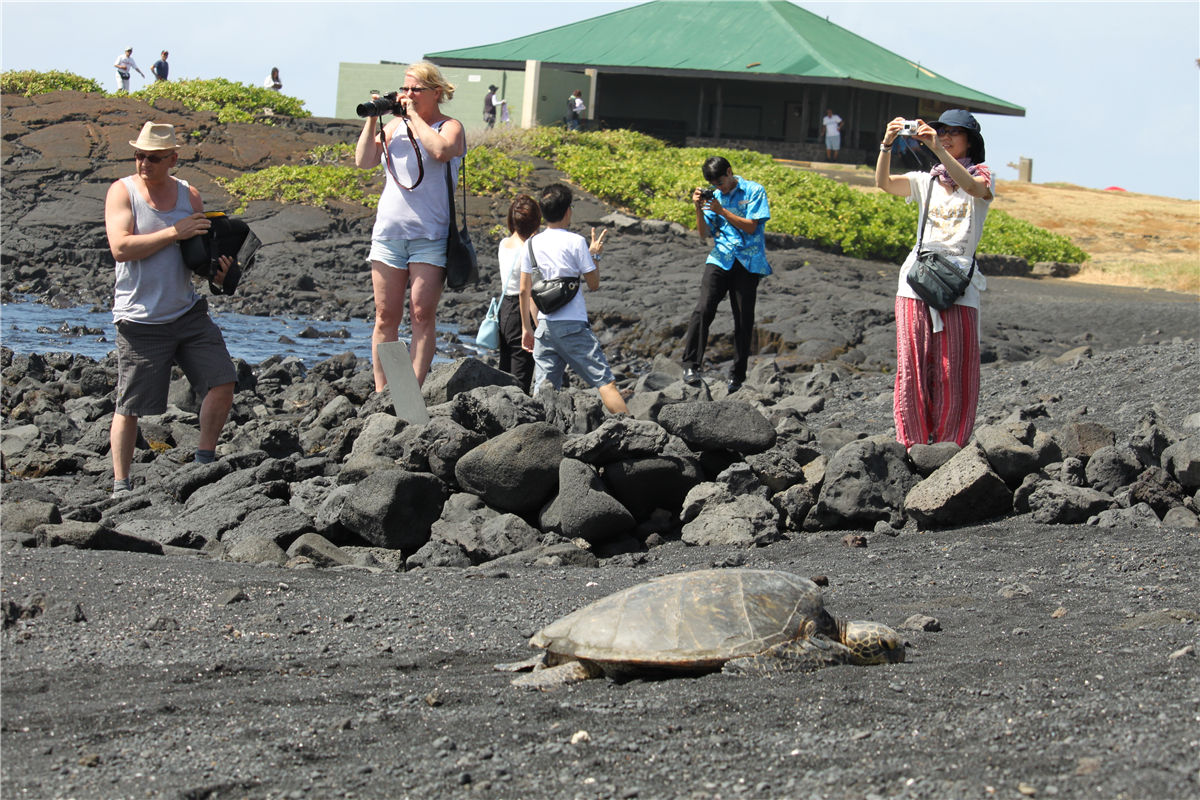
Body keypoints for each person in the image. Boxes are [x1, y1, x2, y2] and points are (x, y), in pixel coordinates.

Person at [103, 122, 237, 496]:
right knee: (130, 405)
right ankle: (121, 484)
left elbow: (197, 255)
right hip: (140, 319)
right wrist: (172, 233)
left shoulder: (188, 195)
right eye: (140, 156)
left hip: (187, 312)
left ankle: (203, 462)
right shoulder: (122, 192)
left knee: (223, 380)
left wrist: (220, 274)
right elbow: (121, 248)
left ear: (173, 159)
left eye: (155, 158)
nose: (145, 163)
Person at [875, 109, 994, 449]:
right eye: (942, 131)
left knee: (953, 368)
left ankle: (949, 444)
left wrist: (937, 150)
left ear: (970, 140)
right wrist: (886, 145)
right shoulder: (925, 180)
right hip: (917, 280)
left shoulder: (983, 176)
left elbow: (972, 186)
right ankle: (912, 442)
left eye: (954, 132)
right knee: (911, 364)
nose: (946, 137)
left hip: (960, 282)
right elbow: (884, 184)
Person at [354, 61, 465, 390]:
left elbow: (442, 150)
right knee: (386, 317)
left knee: (421, 314)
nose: (408, 95)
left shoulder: (450, 126)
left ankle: (409, 393)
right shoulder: (393, 129)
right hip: (389, 234)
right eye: (405, 89)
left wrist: (413, 117)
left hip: (429, 235)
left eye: (416, 89)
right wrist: (374, 117)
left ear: (436, 93)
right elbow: (364, 161)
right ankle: (384, 391)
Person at [519, 183, 626, 415]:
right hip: (572, 326)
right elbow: (594, 283)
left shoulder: (530, 244)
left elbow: (525, 291)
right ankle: (635, 431)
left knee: (543, 391)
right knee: (604, 382)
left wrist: (529, 328)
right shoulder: (576, 242)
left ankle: (536, 438)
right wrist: (595, 253)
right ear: (568, 210)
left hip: (544, 327)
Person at [682, 156, 771, 393]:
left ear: (730, 172)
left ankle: (737, 376)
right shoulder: (714, 198)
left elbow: (752, 225)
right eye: (714, 185)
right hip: (721, 257)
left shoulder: (754, 190)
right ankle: (691, 365)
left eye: (720, 182)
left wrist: (722, 211)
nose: (718, 188)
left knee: (743, 318)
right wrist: (698, 209)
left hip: (748, 260)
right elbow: (703, 234)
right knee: (703, 309)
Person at [496, 195, 541, 393]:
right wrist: (532, 326)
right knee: (520, 377)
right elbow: (526, 291)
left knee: (504, 369)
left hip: (504, 308)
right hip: (520, 311)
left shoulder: (504, 243)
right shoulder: (529, 250)